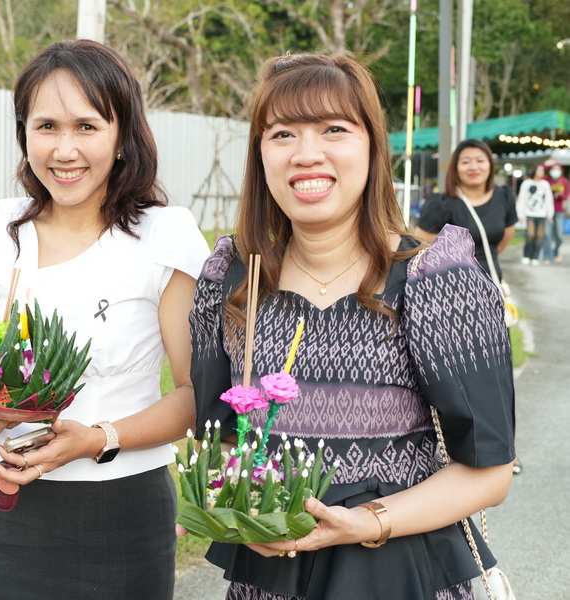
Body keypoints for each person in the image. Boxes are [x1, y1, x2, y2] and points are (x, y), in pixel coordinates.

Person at [186, 54, 514, 599]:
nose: (307, 154)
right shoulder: (233, 279)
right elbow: (223, 439)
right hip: (269, 580)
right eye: (283, 133)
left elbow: (488, 470)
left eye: (334, 129)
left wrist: (368, 522)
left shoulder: (435, 278)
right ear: (260, 153)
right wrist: (240, 502)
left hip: (399, 572)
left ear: (371, 145)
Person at [0, 40, 209, 599]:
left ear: (122, 135)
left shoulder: (165, 237)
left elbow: (194, 395)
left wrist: (98, 438)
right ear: (25, 134)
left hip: (123, 515)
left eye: (87, 127)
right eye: (46, 127)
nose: (65, 150)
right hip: (4, 511)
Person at [415, 139, 517, 280]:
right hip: (453, 287)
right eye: (465, 162)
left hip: (492, 282)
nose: (474, 167)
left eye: (480, 160)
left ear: (490, 164)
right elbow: (421, 244)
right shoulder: (440, 204)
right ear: (455, 168)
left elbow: (503, 241)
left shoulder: (504, 196)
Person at [516, 164, 554, 266]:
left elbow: (549, 200)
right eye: (539, 170)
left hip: (542, 214)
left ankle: (535, 257)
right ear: (534, 171)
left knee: (539, 236)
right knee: (530, 235)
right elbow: (522, 198)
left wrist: (550, 214)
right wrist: (520, 213)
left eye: (543, 171)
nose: (541, 172)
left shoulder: (545, 184)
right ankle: (526, 255)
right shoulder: (527, 183)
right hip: (530, 213)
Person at [542, 160, 569, 264]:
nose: (555, 171)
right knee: (547, 235)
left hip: (559, 211)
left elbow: (565, 196)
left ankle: (556, 252)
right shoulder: (547, 180)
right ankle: (547, 256)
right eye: (553, 169)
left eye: (557, 170)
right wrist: (546, 164)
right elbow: (539, 172)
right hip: (548, 211)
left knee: (559, 235)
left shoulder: (564, 181)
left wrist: (560, 194)